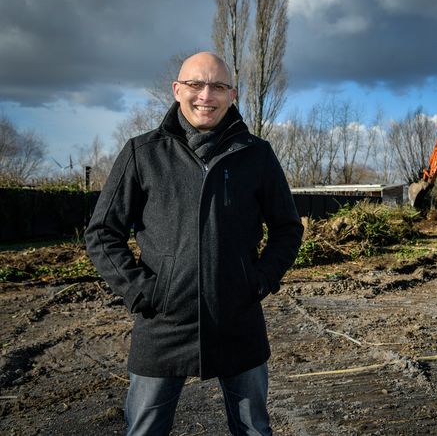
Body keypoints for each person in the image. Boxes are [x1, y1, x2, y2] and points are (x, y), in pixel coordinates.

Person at [85, 51, 303, 436]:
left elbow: (287, 228)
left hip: (237, 320)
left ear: (232, 95)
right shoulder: (142, 152)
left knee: (254, 429)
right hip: (162, 324)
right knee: (145, 430)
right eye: (195, 84)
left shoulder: (257, 155)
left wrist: (260, 280)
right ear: (176, 90)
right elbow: (102, 232)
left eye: (218, 86)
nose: (206, 95)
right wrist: (142, 292)